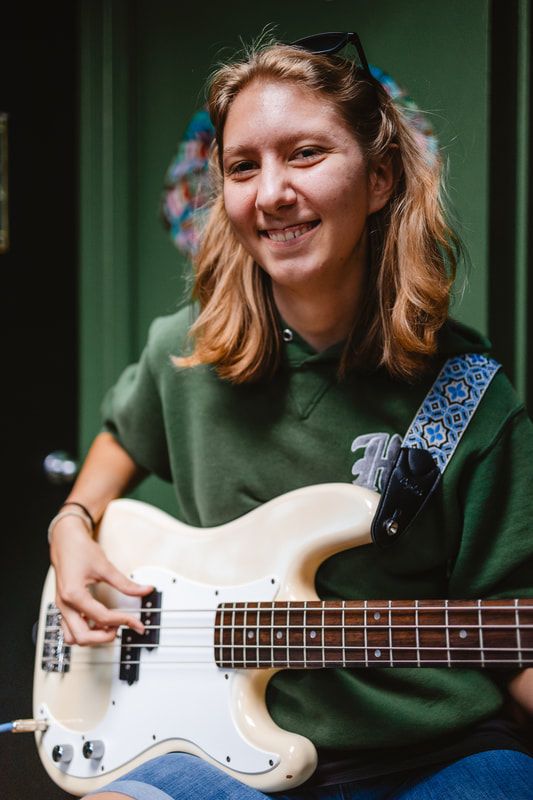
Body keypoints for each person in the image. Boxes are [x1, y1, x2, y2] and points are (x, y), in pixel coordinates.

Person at [48, 30, 533, 800]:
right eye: (244, 165)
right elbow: (120, 436)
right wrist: (71, 524)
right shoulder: (184, 354)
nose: (270, 191)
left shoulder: (471, 398)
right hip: (215, 749)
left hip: (434, 754)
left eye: (304, 154)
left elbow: (515, 632)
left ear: (378, 180)